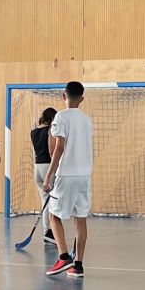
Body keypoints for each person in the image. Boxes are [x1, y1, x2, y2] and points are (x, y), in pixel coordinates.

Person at [44, 80, 93, 277]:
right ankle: (78, 265)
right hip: (84, 176)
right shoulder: (87, 120)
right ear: (82, 99)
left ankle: (64, 257)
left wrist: (48, 176)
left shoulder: (61, 116)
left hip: (66, 175)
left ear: (63, 96)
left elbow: (59, 148)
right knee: (80, 220)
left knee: (53, 216)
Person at [30, 105, 58, 247]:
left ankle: (47, 231)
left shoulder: (33, 132)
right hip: (48, 167)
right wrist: (56, 169)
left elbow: (36, 150)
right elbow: (52, 151)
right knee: (52, 201)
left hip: (37, 167)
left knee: (45, 200)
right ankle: (50, 232)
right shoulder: (50, 131)